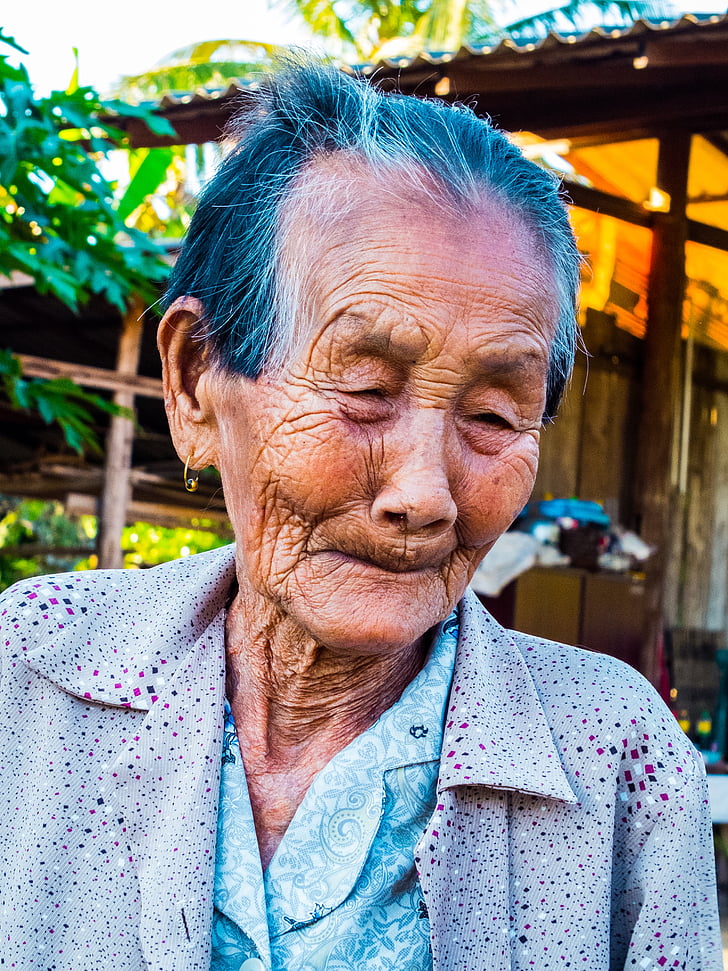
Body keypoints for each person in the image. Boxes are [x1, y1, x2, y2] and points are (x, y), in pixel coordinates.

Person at [0, 63, 721, 971]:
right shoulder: (25, 674)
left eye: (495, 416)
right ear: (192, 381)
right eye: (365, 388)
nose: (425, 494)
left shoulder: (618, 758)